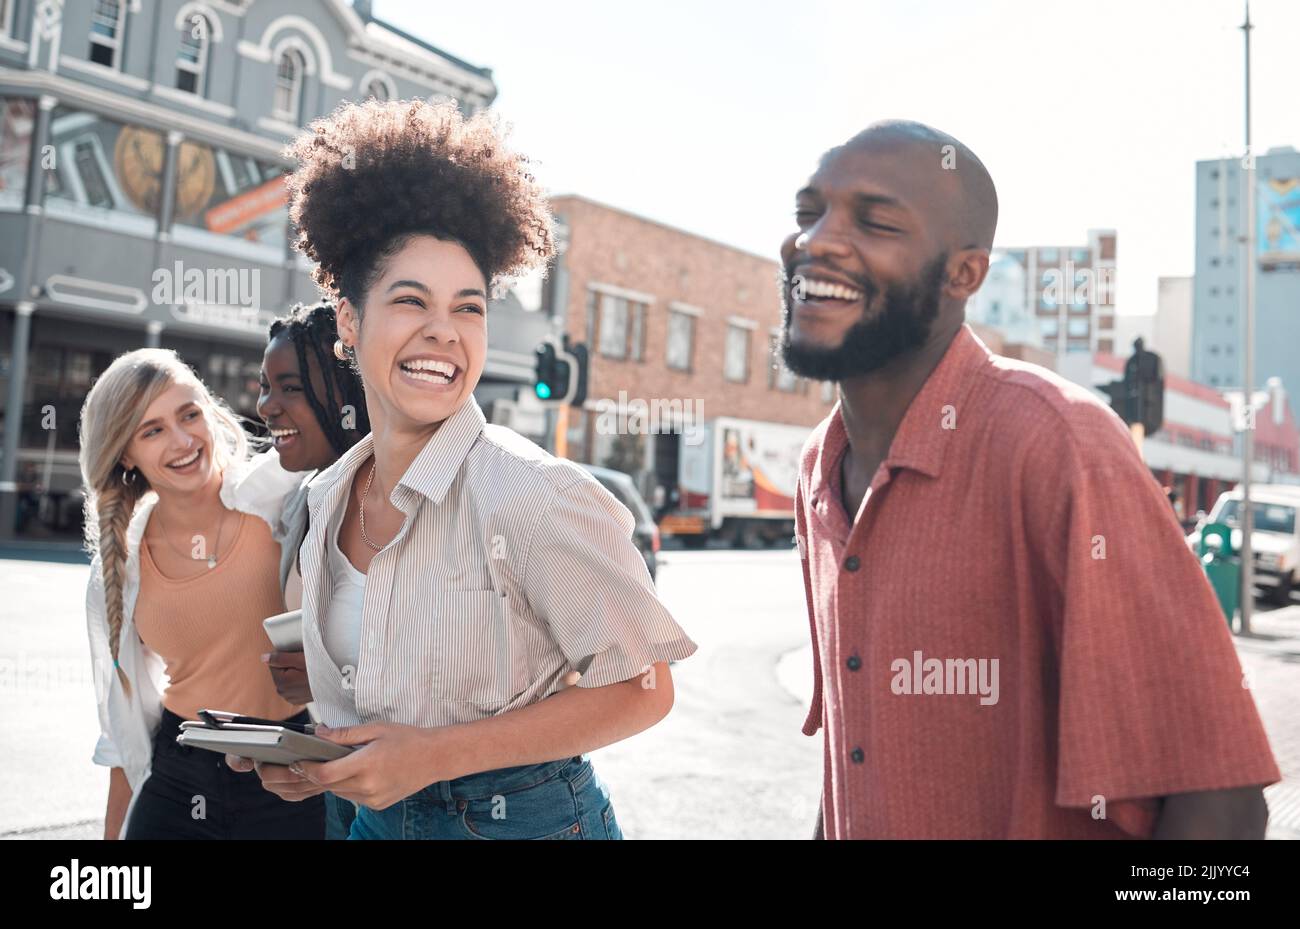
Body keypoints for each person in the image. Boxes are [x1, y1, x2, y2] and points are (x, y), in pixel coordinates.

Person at [782, 120, 1280, 839]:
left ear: (965, 274)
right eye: (808, 212)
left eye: (876, 221)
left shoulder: (1059, 441)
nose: (816, 240)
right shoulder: (816, 467)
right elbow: (856, 762)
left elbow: (1223, 801)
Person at [228, 98, 697, 839]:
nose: (443, 331)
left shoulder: (534, 494)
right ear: (349, 321)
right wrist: (315, 757)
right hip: (371, 824)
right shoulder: (322, 501)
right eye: (410, 300)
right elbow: (370, 700)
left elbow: (645, 688)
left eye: (468, 307)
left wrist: (435, 757)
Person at [80, 348, 323, 839]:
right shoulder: (119, 568)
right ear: (125, 453)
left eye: (189, 414)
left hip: (292, 772)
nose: (183, 440)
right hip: (178, 772)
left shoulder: (283, 500)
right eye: (153, 430)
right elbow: (120, 726)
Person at [256, 299, 371, 839]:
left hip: (437, 798)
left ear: (347, 389)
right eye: (265, 387)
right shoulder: (302, 501)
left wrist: (333, 679)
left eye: (290, 388)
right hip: (345, 791)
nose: (266, 406)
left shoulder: (408, 498)